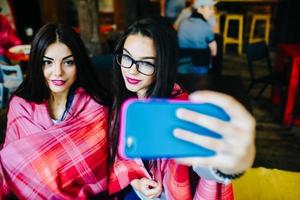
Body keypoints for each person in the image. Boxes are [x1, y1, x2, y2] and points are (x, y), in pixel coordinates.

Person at [109, 17, 255, 199]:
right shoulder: (123, 100)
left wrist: (229, 166)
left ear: (164, 65)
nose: (131, 70)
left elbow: (203, 165)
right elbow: (123, 158)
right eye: (127, 57)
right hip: (136, 189)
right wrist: (135, 180)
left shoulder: (180, 110)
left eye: (146, 63)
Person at [0, 23, 111, 199]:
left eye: (68, 62)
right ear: (37, 64)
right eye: (47, 62)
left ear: (79, 63)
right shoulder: (20, 105)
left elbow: (100, 166)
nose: (58, 72)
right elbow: (10, 163)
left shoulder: (95, 105)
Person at [177, 0, 218, 75]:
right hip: (200, 65)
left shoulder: (183, 23)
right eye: (209, 8)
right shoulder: (206, 26)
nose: (212, 11)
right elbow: (214, 51)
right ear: (200, 9)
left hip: (182, 64)